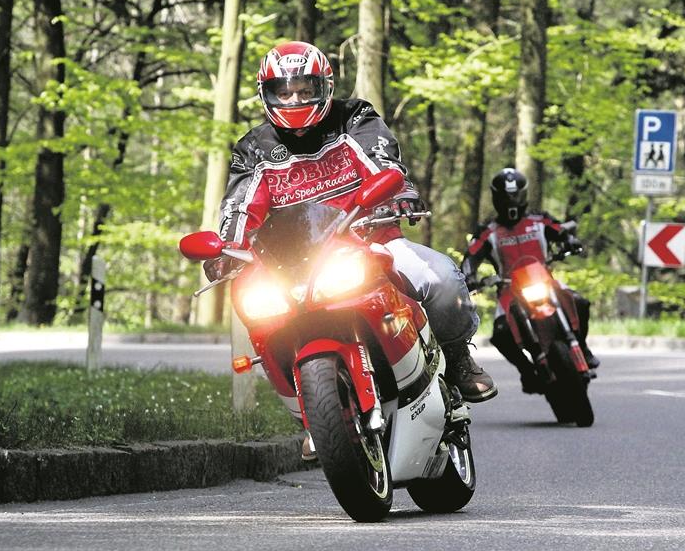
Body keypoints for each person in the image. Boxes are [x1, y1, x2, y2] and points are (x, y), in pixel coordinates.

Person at [205, 41, 496, 457]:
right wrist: (226, 248)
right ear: (265, 94)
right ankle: (314, 414)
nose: (294, 100)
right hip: (292, 265)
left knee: (440, 277)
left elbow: (380, 158)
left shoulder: (353, 117)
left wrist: (398, 193)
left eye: (305, 90)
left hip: (370, 241)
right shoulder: (254, 147)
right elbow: (239, 203)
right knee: (258, 311)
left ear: (324, 86)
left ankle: (457, 356)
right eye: (283, 92)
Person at [461, 167, 599, 394]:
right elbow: (471, 256)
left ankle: (582, 348)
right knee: (501, 332)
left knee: (580, 302)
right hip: (510, 292)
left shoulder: (539, 221)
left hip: (546, 283)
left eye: (515, 195)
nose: (511, 200)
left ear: (524, 194)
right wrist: (468, 276)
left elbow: (561, 231)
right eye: (506, 196)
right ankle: (526, 370)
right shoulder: (488, 232)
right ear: (496, 197)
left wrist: (571, 241)